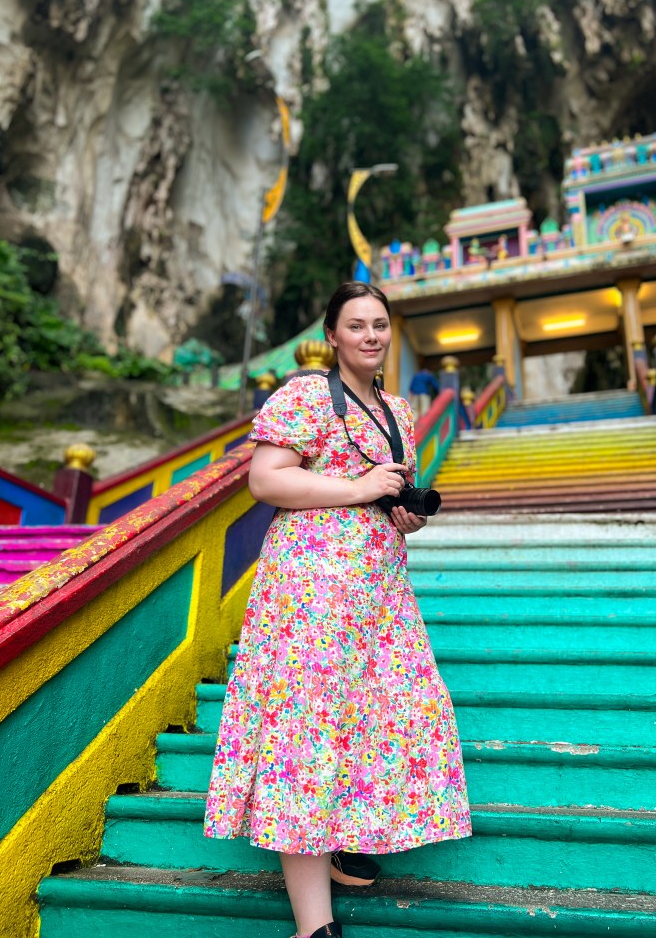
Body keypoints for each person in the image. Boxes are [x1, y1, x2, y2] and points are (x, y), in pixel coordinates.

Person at [204, 281, 471, 938]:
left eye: (380, 324)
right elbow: (266, 478)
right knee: (308, 730)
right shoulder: (304, 395)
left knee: (397, 710)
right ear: (331, 336)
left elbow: (385, 496)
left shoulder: (398, 411)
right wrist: (356, 487)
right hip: (310, 591)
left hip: (378, 593)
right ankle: (313, 927)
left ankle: (353, 847)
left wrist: (404, 515)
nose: (371, 336)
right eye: (357, 325)